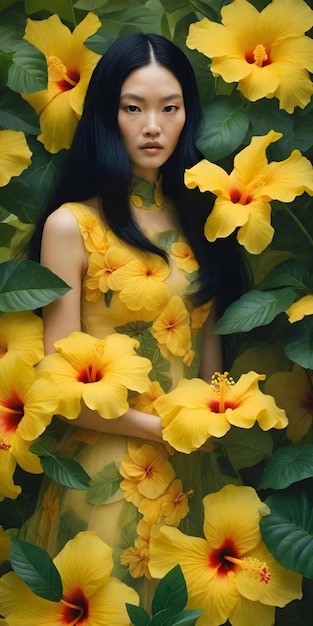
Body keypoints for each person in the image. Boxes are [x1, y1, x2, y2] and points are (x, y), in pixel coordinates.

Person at [25, 32, 248, 607]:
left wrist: (213, 426)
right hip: (105, 478)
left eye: (169, 108)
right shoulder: (72, 226)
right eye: (133, 107)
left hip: (193, 474)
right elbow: (60, 383)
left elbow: (208, 362)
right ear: (107, 115)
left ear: (186, 116)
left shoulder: (201, 218)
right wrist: (166, 431)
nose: (153, 125)